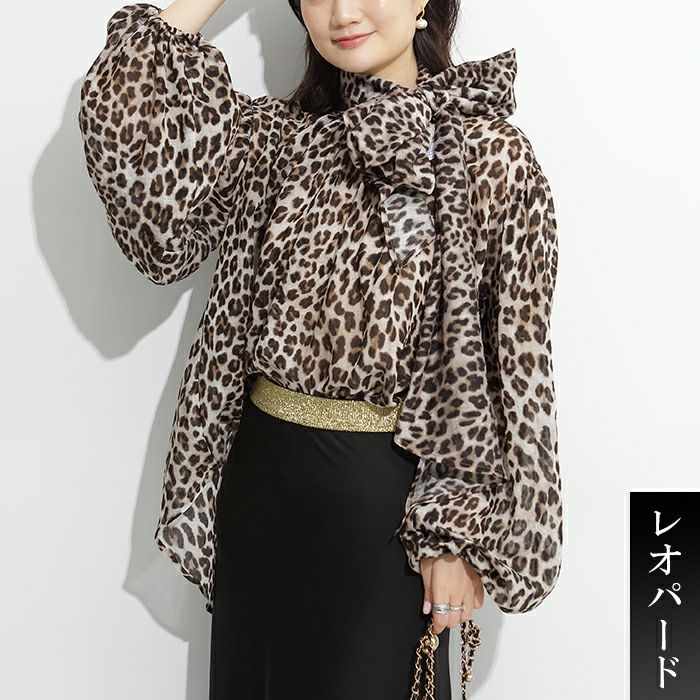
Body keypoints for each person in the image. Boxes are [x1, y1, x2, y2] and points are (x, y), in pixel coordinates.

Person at [77, 0, 563, 697]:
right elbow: (131, 141)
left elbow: (516, 375)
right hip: (259, 492)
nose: (342, 11)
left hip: (386, 514)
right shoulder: (273, 141)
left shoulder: (492, 158)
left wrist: (459, 534)